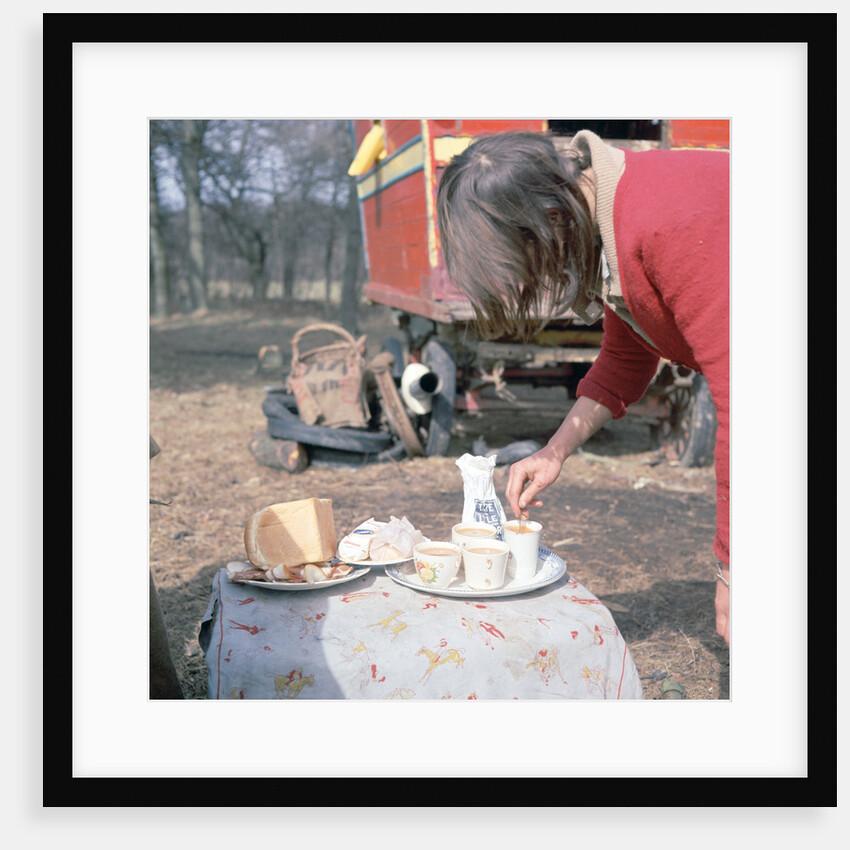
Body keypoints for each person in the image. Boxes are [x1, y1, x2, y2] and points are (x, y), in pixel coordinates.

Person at [436, 129, 730, 645]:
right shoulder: (611, 223)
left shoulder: (665, 221)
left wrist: (734, 570)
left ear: (548, 220)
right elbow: (627, 353)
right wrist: (555, 451)